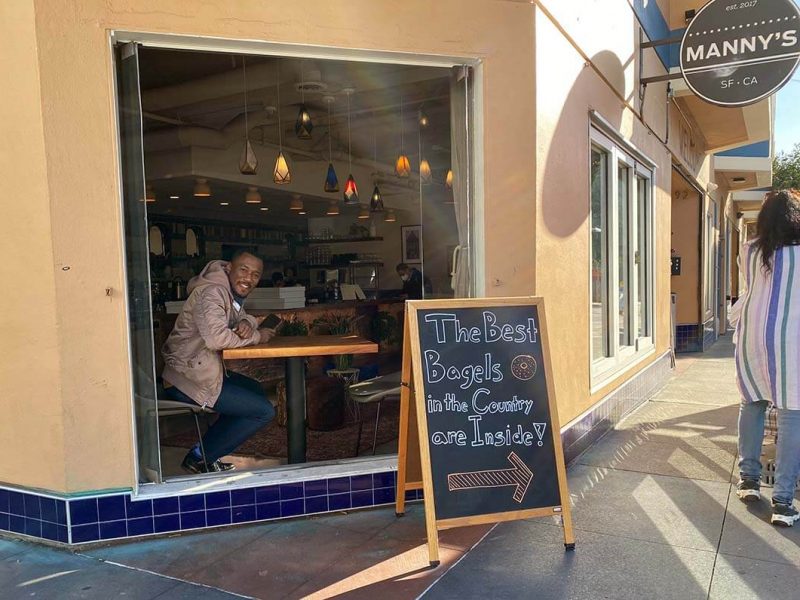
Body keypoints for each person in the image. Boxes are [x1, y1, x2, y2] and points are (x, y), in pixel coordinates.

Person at [162, 250, 276, 474]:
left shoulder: (226, 292)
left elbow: (239, 317)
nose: (249, 278)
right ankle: (199, 457)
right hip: (185, 380)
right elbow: (217, 339)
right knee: (263, 411)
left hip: (200, 372)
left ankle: (206, 454)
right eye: (244, 270)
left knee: (254, 390)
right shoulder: (212, 292)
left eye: (255, 274)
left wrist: (246, 321)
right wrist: (258, 336)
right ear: (228, 268)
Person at [732, 189, 800, 526]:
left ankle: (748, 481)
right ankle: (784, 502)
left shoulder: (749, 251)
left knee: (752, 403)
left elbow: (750, 289)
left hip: (752, 338)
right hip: (791, 341)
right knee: (792, 416)